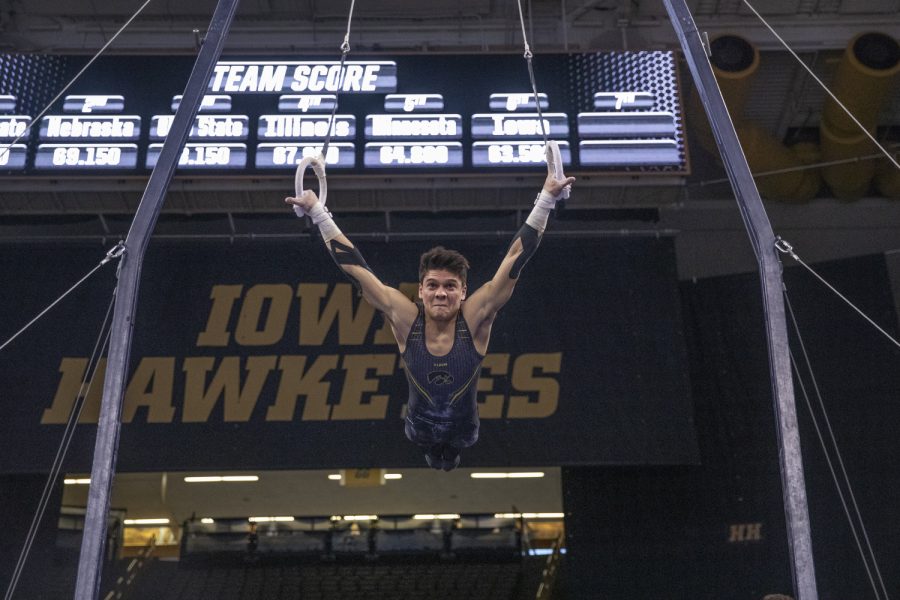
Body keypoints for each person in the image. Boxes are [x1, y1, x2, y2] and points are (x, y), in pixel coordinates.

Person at [285, 162, 574, 470]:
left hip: (464, 429)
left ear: (463, 292)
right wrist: (317, 212)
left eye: (450, 286)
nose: (441, 293)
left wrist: (546, 198)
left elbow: (515, 258)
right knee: (429, 445)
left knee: (454, 450)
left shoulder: (474, 317)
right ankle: (439, 458)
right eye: (433, 286)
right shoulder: (406, 317)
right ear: (420, 290)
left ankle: (446, 459)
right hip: (419, 426)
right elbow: (357, 270)